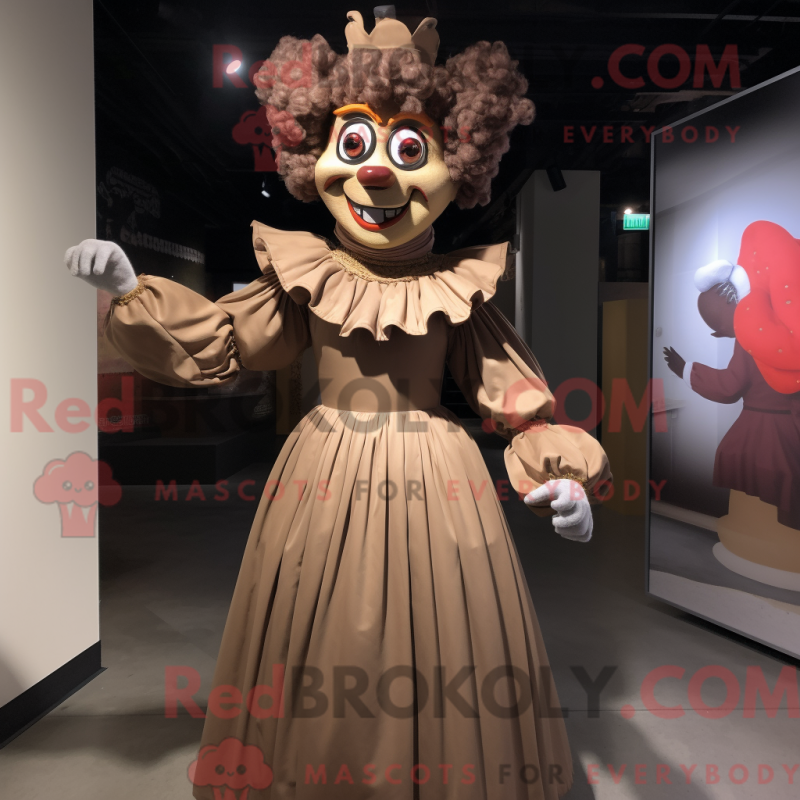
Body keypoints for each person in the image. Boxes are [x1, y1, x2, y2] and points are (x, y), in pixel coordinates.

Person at [65, 9, 611, 798]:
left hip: (434, 478)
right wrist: (131, 291)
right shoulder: (306, 275)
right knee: (316, 630)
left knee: (443, 633)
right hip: (322, 474)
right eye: (354, 144)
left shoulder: (456, 290)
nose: (376, 174)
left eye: (409, 149)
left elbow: (520, 400)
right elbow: (221, 340)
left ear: (459, 162)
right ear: (314, 154)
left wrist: (561, 476)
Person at [664, 221, 800, 580]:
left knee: (749, 473)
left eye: (716, 325)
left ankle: (761, 549)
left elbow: (729, 386)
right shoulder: (778, 327)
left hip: (762, 429)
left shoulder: (752, 338)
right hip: (788, 428)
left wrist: (685, 369)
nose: (715, 333)